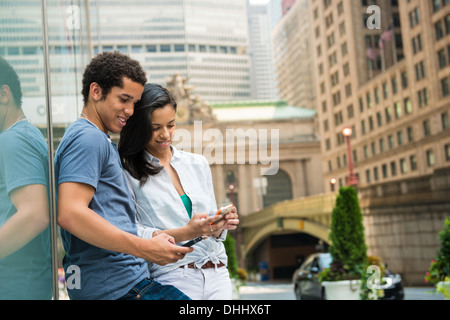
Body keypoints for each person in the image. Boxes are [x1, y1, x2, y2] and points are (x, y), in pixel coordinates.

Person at [55, 51, 193, 300]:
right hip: (123, 290)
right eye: (124, 99)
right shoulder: (88, 138)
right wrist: (145, 249)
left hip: (127, 286)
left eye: (134, 103)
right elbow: (70, 213)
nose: (130, 110)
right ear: (96, 91)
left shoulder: (95, 138)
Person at [118, 83, 239, 300]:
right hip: (173, 276)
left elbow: (210, 227)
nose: (165, 134)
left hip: (218, 271)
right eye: (155, 128)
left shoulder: (198, 163)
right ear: (138, 127)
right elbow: (131, 232)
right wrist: (187, 232)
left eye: (171, 125)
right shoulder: (127, 172)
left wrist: (219, 224)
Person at [0, 56, 52, 299]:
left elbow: (34, 216)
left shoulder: (13, 139)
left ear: (4, 94)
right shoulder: (28, 134)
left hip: (16, 284)